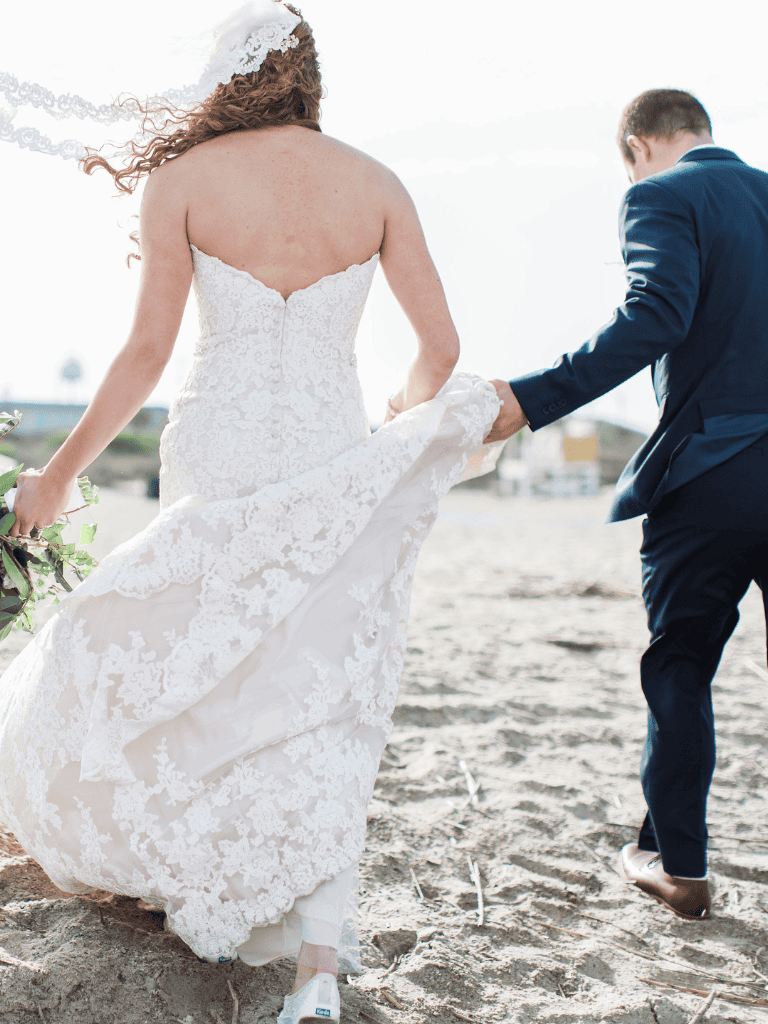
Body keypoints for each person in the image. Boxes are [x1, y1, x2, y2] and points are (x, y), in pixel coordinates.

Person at [0, 4, 501, 1021]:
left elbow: (145, 353)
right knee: (313, 677)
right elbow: (440, 346)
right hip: (326, 445)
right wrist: (400, 419)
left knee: (168, 640)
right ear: (313, 78)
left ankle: (164, 856)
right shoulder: (376, 183)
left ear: (229, 77)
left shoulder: (186, 180)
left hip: (220, 444)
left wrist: (54, 478)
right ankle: (315, 961)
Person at [486, 88, 768, 923]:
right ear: (704, 131)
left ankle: (680, 866)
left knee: (682, 663)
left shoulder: (659, 193)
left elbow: (656, 315)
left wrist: (534, 398)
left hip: (713, 472)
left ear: (640, 145)